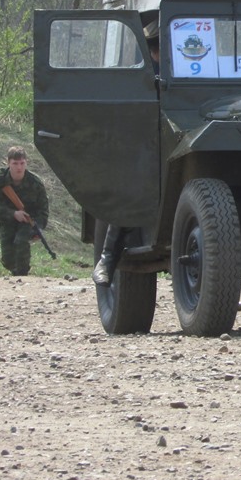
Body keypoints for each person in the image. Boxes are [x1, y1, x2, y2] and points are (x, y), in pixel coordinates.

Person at [93, 18, 159, 287]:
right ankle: (108, 257)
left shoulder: (196, 69)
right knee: (133, 184)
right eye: (159, 47)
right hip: (147, 142)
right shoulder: (137, 72)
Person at [0, 146, 50, 276]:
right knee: (8, 259)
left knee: (21, 241)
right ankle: (15, 271)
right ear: (8, 163)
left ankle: (22, 275)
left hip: (28, 221)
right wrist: (13, 214)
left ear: (26, 162)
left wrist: (38, 227)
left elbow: (43, 210)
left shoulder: (35, 183)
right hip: (7, 219)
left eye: (22, 163)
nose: (19, 167)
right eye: (15, 163)